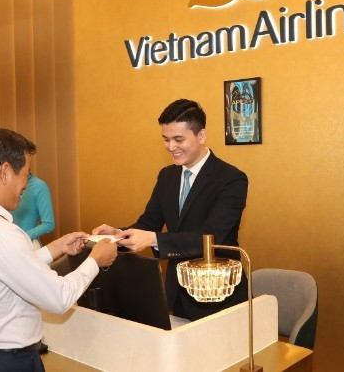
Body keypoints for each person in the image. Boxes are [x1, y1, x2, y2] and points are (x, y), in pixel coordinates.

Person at [0, 128, 117, 372]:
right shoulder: (1, 233)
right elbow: (58, 297)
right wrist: (95, 259)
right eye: (26, 175)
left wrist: (55, 248)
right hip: (8, 364)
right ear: (5, 172)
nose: (25, 185)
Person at [93, 99, 249, 321]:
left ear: (201, 136)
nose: (171, 147)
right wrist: (118, 234)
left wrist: (153, 239)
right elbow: (148, 223)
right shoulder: (167, 176)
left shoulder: (231, 179)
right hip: (178, 294)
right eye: (166, 139)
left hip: (219, 295)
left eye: (178, 139)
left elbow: (211, 236)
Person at [9, 172, 55, 248]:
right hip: (8, 243)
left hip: (29, 245)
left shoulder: (39, 186)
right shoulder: (7, 184)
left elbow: (49, 224)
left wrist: (22, 237)